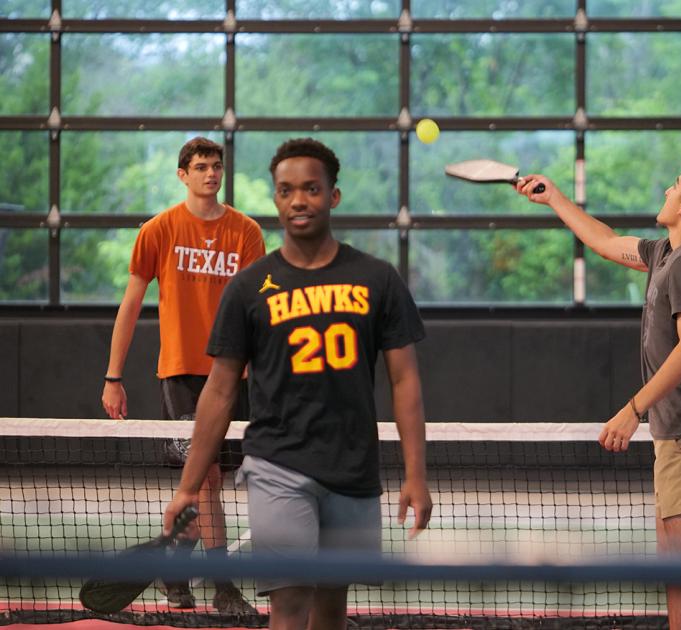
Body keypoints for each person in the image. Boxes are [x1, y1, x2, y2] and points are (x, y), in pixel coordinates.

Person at [163, 137, 433, 630]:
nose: (298, 200)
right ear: (275, 200)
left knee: (330, 610)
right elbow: (220, 391)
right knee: (288, 604)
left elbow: (405, 381)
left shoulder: (378, 279)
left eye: (311, 188)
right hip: (276, 466)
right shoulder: (249, 288)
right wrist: (186, 488)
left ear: (333, 195)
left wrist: (416, 474)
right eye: (286, 191)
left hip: (353, 470)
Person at [516, 165, 681, 630]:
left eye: (674, 184)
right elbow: (603, 240)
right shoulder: (665, 252)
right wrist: (554, 197)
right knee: (675, 568)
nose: (666, 185)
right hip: (675, 432)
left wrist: (633, 409)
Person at [101, 136, 264, 614]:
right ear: (182, 174)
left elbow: (258, 309)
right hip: (181, 375)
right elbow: (130, 305)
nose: (210, 173)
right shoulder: (158, 230)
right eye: (200, 166)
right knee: (208, 478)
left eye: (216, 166)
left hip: (234, 377)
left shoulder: (246, 232)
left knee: (204, 481)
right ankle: (224, 586)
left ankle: (174, 566)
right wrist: (113, 376)